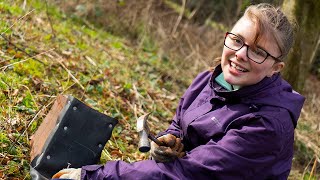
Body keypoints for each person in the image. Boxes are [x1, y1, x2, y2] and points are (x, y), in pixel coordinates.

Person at [53, 3, 305, 179]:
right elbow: (181, 126)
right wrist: (170, 141)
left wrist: (96, 177)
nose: (240, 55)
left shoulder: (267, 125)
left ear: (276, 68)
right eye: (238, 40)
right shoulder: (210, 80)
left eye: (258, 52)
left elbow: (189, 173)